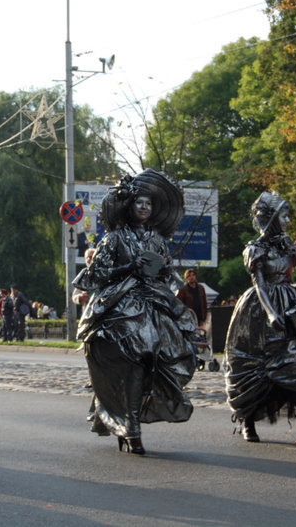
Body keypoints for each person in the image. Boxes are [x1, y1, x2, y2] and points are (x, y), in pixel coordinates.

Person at [73, 169, 198, 456]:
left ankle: (129, 419)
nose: (144, 207)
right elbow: (96, 275)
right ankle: (132, 428)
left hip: (153, 302)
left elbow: (167, 272)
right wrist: (130, 268)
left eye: (149, 203)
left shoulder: (157, 240)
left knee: (167, 358)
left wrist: (161, 269)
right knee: (135, 359)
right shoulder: (114, 239)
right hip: (121, 302)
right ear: (129, 206)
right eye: (139, 202)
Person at [225, 192, 296, 444]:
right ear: (271, 218)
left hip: (289, 303)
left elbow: (287, 276)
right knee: (255, 365)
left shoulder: (287, 245)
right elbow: (261, 285)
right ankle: (248, 422)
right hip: (259, 311)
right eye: (283, 216)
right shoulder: (255, 249)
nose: (287, 221)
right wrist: (272, 314)